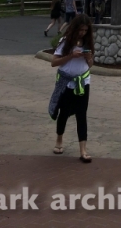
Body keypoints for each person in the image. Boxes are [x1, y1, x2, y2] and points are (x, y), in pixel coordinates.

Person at [49, 15, 94, 163]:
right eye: (80, 29)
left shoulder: (87, 42)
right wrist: (71, 56)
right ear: (75, 29)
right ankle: (59, 140)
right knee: (64, 112)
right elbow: (54, 62)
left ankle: (83, 150)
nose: (82, 32)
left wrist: (88, 57)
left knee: (82, 114)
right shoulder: (65, 42)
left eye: (85, 30)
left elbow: (91, 64)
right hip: (67, 82)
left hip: (83, 82)